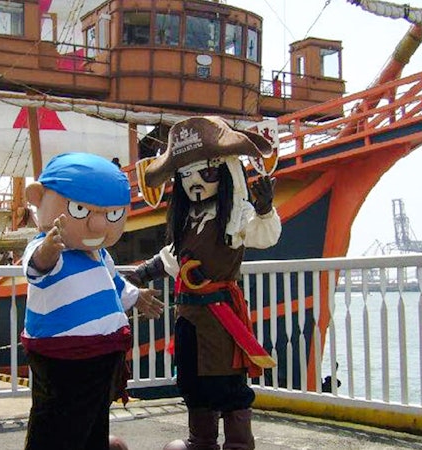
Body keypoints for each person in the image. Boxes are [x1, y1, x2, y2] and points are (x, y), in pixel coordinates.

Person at [129, 116, 281, 450]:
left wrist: (266, 210)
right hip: (189, 319)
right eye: (185, 176)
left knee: (228, 384)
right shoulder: (187, 220)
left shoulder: (234, 217)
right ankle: (201, 441)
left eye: (207, 173)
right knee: (194, 382)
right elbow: (172, 258)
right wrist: (141, 274)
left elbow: (263, 236)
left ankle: (239, 444)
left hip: (220, 318)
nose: (195, 183)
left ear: (226, 173)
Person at [21, 152, 165, 450]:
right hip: (66, 357)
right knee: (59, 422)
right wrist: (49, 248)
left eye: (112, 215)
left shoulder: (99, 254)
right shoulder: (47, 247)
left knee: (93, 418)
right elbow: (37, 267)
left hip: (101, 355)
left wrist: (136, 297)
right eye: (79, 209)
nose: (99, 226)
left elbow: (113, 283)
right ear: (38, 197)